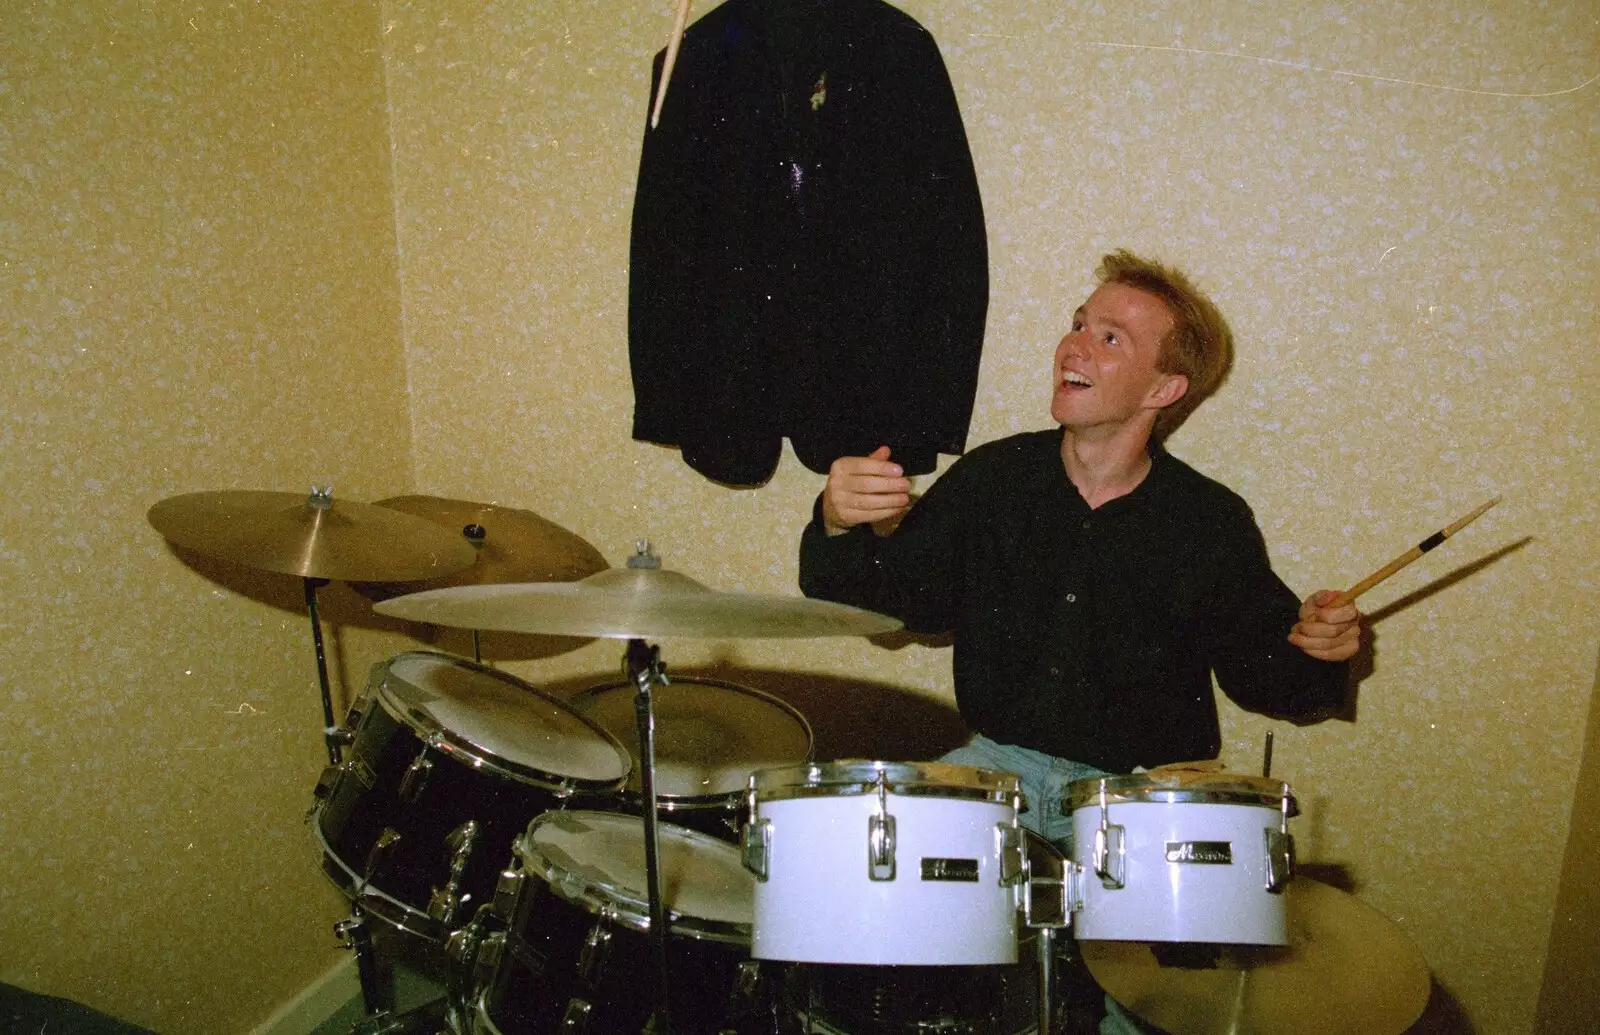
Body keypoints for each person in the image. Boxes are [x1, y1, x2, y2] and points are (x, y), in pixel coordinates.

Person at [797, 249, 1361, 1034]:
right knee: (870, 902)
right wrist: (836, 519)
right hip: (1002, 769)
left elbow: (1265, 674)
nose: (1074, 346)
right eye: (1077, 326)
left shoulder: (1209, 520)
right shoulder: (996, 478)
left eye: (1110, 338)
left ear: (1164, 390)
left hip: (1143, 794)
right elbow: (898, 601)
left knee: (1155, 1011)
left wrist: (1322, 648)